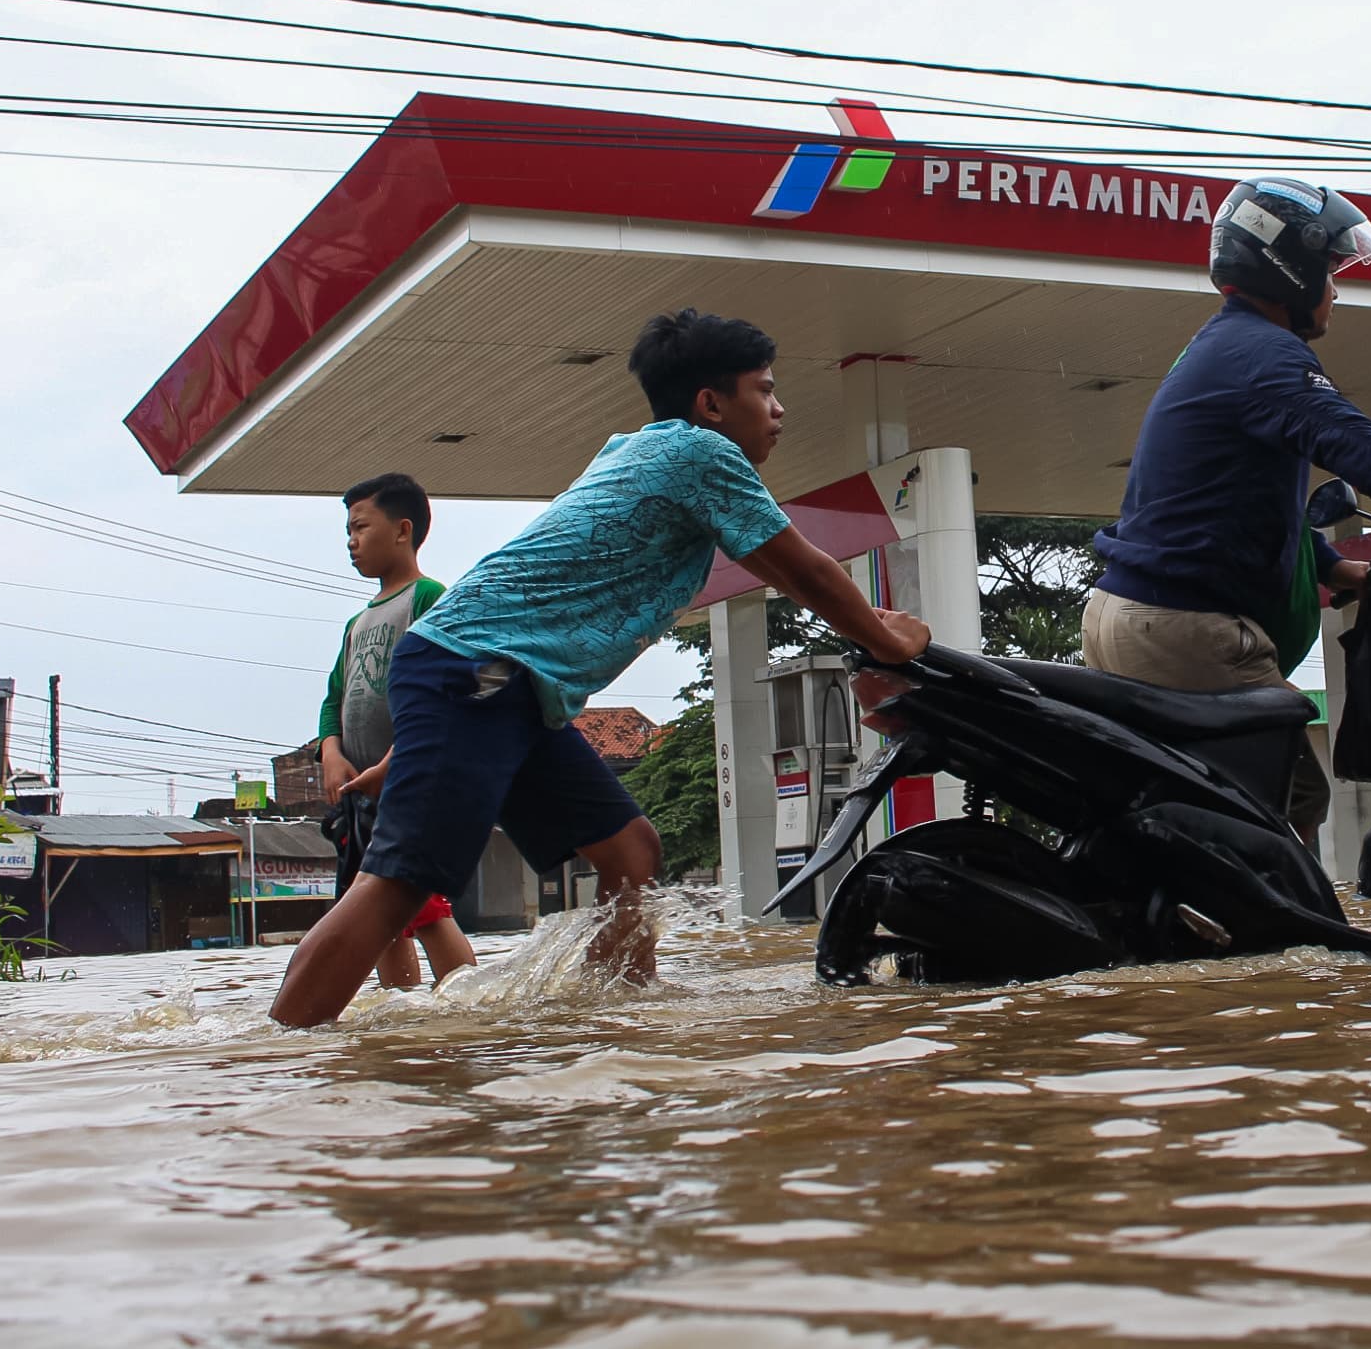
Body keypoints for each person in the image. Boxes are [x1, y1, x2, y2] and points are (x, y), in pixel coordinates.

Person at [270, 309, 931, 1027]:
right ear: (711, 403)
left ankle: (616, 1010)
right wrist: (893, 643)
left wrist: (869, 628)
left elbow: (780, 565)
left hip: (513, 686)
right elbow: (802, 567)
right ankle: (276, 1050)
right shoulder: (704, 455)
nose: (779, 411)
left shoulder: (637, 448)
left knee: (629, 848)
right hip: (478, 672)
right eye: (764, 391)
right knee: (402, 884)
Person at [1084, 177, 1371, 847]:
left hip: (1139, 614)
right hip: (1185, 629)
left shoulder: (1219, 348)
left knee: (1236, 801)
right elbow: (1350, 441)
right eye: (1329, 269)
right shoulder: (1265, 355)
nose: (1337, 289)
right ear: (1288, 270)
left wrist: (1338, 569)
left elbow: (1226, 505)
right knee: (1277, 809)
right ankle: (1281, 947)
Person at [315, 471, 474, 990]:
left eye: (360, 527)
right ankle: (402, 1015)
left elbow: (446, 691)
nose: (350, 541)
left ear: (403, 530)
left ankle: (469, 1007)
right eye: (348, 530)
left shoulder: (429, 598)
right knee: (377, 914)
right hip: (361, 796)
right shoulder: (356, 623)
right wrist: (331, 752)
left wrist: (394, 764)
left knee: (422, 904)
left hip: (408, 782)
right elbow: (334, 698)